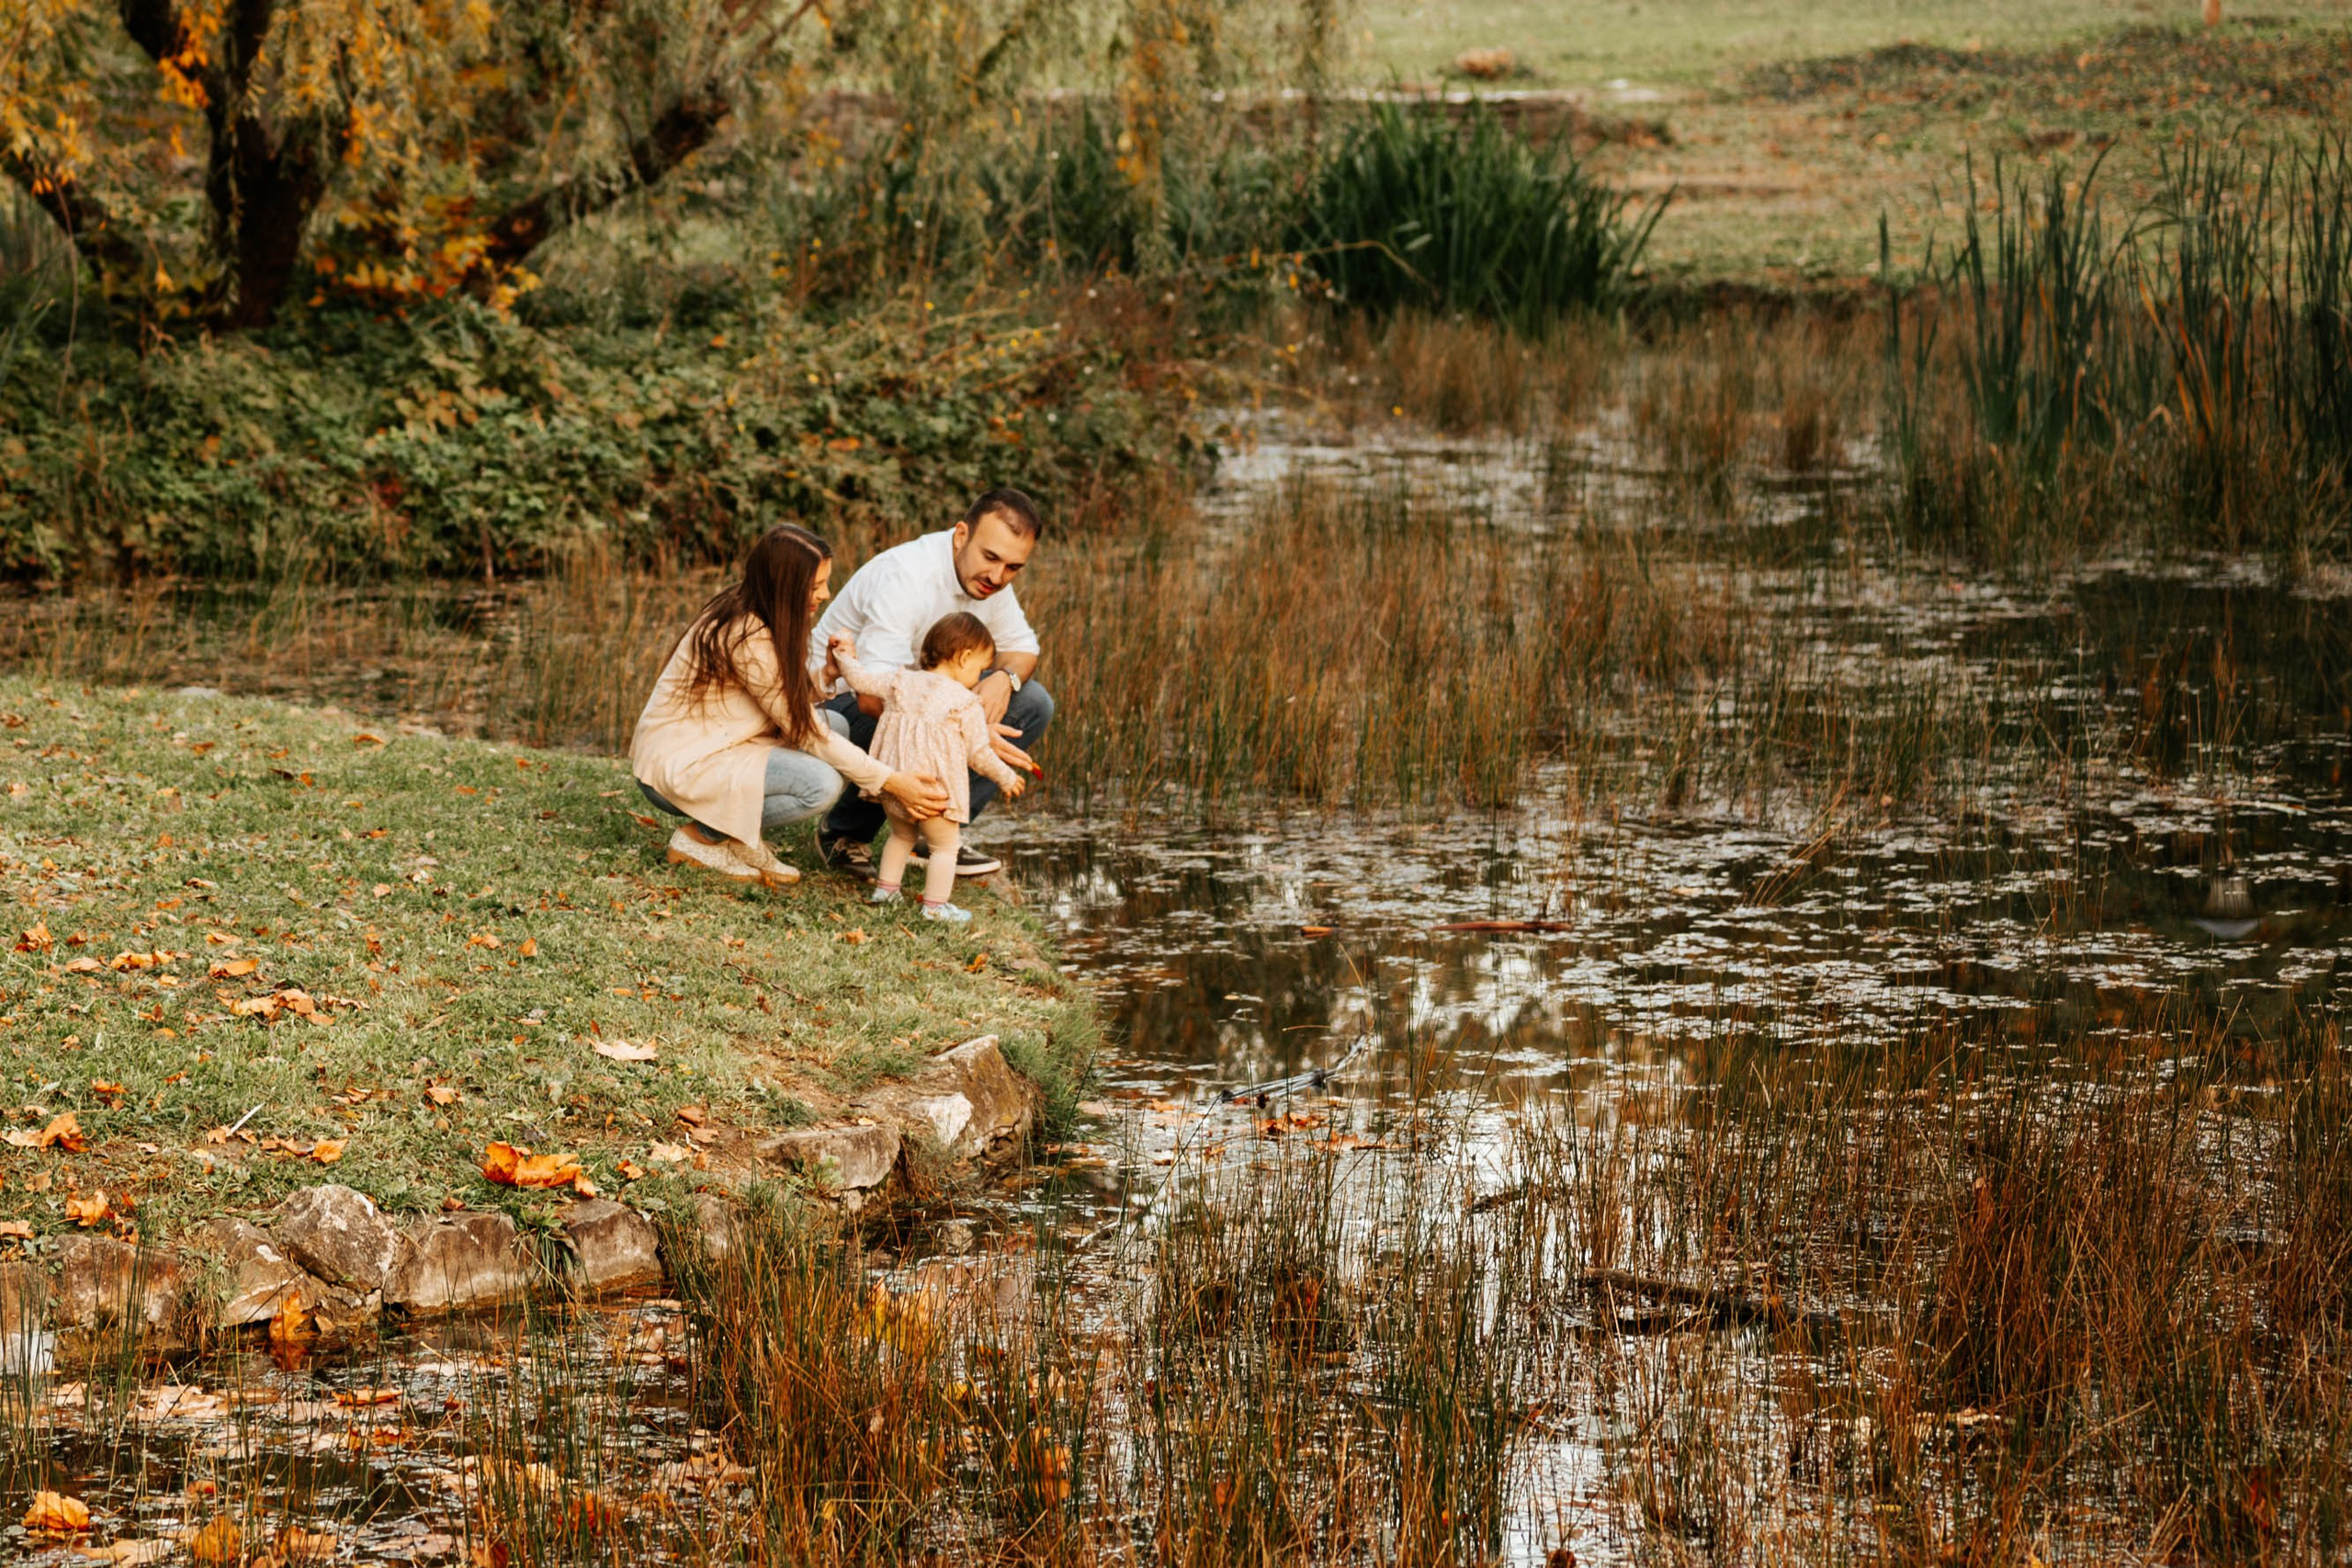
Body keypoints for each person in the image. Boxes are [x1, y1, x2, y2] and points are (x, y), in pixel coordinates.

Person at [630, 525, 950, 886]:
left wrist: (827, 673)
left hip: (724, 744)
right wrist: (891, 781)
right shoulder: (744, 633)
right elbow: (802, 729)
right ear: (785, 585)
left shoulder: (760, 611)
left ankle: (739, 836)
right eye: (815, 586)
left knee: (838, 727)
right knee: (820, 784)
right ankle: (703, 836)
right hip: (682, 762)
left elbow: (779, 699)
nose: (826, 594)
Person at [808, 488, 1055, 879]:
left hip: (918, 701)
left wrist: (1004, 681)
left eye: (1013, 568)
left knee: (1034, 702)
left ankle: (937, 836)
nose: (997, 576)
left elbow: (1023, 650)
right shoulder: (906, 575)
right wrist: (962, 725)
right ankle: (844, 835)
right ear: (961, 535)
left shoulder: (988, 584)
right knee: (898, 721)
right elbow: (873, 697)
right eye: (990, 558)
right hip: (837, 706)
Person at [830, 615, 1029, 922]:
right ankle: (935, 907)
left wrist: (844, 654)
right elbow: (979, 754)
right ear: (964, 658)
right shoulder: (965, 702)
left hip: (895, 786)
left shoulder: (901, 681)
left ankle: (886, 891)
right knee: (945, 848)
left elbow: (860, 681)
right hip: (933, 791)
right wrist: (1006, 776)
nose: (979, 678)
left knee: (900, 837)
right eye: (979, 669)